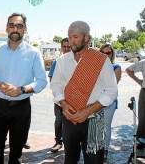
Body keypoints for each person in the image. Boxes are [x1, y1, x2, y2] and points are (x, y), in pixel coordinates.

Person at [51, 21, 118, 164]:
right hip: (69, 117)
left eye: (75, 37)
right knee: (70, 159)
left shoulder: (101, 60)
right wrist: (63, 104)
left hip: (94, 119)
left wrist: (88, 111)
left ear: (86, 38)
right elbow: (55, 85)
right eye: (69, 37)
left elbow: (112, 91)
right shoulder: (62, 60)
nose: (71, 41)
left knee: (94, 160)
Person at [0, 12, 47, 164]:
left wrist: (22, 89)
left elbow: (41, 81)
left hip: (22, 109)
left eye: (19, 26)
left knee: (16, 154)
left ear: (25, 29)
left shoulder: (34, 53)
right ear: (6, 28)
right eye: (12, 25)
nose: (15, 29)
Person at [48, 37, 71, 153]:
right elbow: (52, 80)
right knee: (59, 121)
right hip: (59, 100)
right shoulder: (56, 62)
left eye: (69, 47)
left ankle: (70, 143)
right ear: (61, 48)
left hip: (74, 100)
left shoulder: (77, 61)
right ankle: (58, 142)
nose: (66, 49)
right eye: (64, 47)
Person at [99, 44, 121, 160]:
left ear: (112, 54)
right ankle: (97, 148)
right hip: (95, 101)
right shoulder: (95, 66)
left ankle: (105, 149)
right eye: (103, 52)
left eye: (108, 52)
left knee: (106, 126)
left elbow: (112, 87)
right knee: (96, 126)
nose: (106, 55)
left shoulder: (116, 67)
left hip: (109, 102)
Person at [126, 58, 145, 149]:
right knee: (143, 117)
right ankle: (141, 140)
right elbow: (129, 70)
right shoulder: (144, 62)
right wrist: (139, 81)